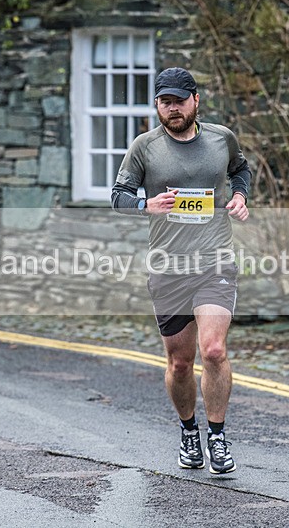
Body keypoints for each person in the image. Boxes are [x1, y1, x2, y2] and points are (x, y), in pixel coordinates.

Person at [111, 67, 251, 474]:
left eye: (178, 101)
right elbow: (119, 196)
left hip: (215, 261)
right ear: (157, 105)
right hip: (169, 267)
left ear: (195, 101)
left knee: (214, 350)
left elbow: (240, 170)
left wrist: (240, 197)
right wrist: (146, 205)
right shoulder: (144, 147)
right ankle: (189, 430)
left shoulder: (221, 139)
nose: (172, 109)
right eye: (164, 102)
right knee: (179, 362)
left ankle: (218, 437)